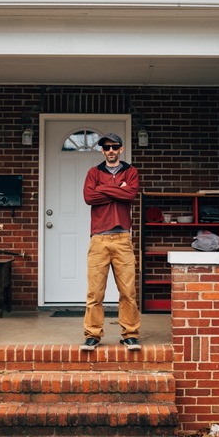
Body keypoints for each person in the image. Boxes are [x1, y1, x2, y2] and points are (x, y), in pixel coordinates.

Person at [80, 132, 141, 351]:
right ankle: (92, 335)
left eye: (115, 147)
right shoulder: (93, 172)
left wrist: (103, 190)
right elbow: (89, 197)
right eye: (107, 147)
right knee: (95, 292)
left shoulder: (131, 171)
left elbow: (130, 195)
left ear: (121, 149)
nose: (111, 151)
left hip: (123, 238)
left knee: (128, 291)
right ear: (102, 150)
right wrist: (118, 190)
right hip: (99, 238)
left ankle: (130, 334)